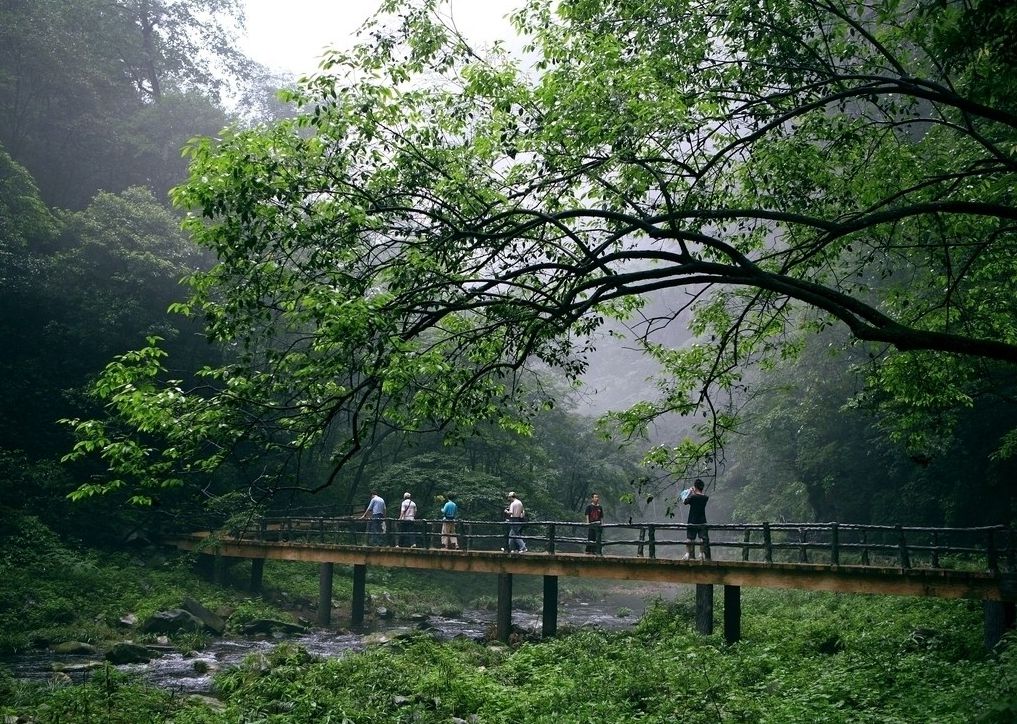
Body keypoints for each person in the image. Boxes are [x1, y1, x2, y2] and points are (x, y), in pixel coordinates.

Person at [682, 479, 710, 560]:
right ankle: (701, 554)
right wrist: (694, 492)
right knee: (702, 538)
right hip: (702, 520)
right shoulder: (705, 498)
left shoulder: (693, 497)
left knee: (690, 538)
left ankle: (688, 554)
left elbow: (685, 501)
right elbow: (699, 497)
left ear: (695, 487)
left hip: (692, 520)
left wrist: (689, 492)